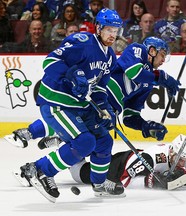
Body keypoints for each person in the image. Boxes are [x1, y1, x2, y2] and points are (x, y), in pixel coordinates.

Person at [11, 8, 125, 202]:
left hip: (78, 106)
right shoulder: (83, 42)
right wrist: (72, 74)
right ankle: (40, 170)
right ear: (98, 28)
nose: (112, 35)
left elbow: (99, 88)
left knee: (104, 141)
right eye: (109, 30)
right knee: (85, 142)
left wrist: (104, 110)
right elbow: (50, 61)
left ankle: (98, 183)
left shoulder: (110, 56)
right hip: (56, 102)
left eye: (116, 31)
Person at [5, 37, 180, 150]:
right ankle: (29, 133)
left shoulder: (148, 85)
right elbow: (135, 72)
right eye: (162, 55)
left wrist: (145, 126)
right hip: (99, 97)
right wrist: (162, 78)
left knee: (88, 138)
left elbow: (129, 116)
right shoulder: (137, 50)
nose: (163, 60)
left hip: (109, 111)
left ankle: (60, 140)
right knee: (73, 117)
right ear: (151, 50)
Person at [69, 134, 186, 190]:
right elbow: (125, 180)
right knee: (77, 172)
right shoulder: (152, 157)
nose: (183, 163)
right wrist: (151, 181)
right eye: (180, 159)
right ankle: (67, 143)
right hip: (119, 167)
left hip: (129, 165)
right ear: (171, 151)